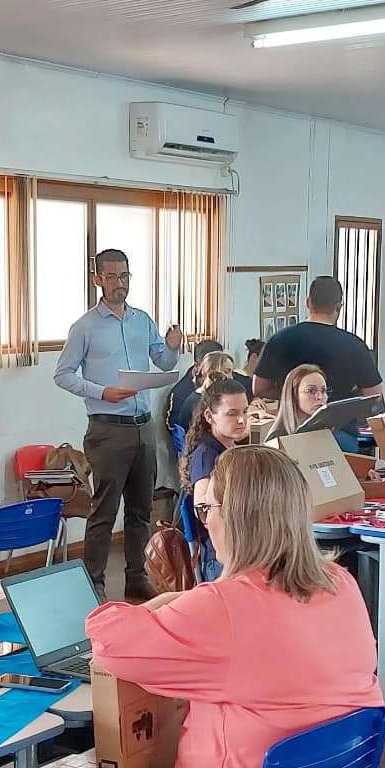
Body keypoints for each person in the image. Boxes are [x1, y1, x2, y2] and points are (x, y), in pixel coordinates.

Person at [45, 446, 383, 768]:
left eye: (209, 510)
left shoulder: (223, 609)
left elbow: (106, 638)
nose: (205, 525)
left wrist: (164, 601)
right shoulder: (340, 584)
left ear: (237, 517)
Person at [54, 248, 183, 602]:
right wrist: (102, 392)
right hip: (107, 427)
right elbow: (62, 374)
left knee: (141, 509)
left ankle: (136, 576)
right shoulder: (85, 327)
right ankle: (93, 582)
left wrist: (173, 347)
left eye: (125, 276)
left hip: (143, 425)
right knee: (104, 511)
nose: (120, 284)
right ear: (98, 280)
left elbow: (162, 360)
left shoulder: (142, 320)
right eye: (112, 277)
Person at [253, 276, 384, 454]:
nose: (320, 398)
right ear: (339, 307)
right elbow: (374, 397)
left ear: (308, 302)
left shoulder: (279, 340)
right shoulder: (354, 345)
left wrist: (294, 395)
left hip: (293, 432)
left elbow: (259, 388)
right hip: (342, 435)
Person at [180, 377, 249, 581]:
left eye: (245, 411)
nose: (241, 420)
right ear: (210, 416)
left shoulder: (230, 447)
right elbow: (202, 507)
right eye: (232, 414)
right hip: (219, 559)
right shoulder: (207, 455)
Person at [166, 339, 223, 434]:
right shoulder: (181, 393)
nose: (220, 372)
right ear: (197, 366)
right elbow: (174, 428)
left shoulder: (223, 380)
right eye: (214, 367)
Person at [266, 364, 331, 441]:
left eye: (323, 391)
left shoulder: (321, 429)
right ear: (293, 394)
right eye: (310, 391)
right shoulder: (277, 439)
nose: (320, 397)